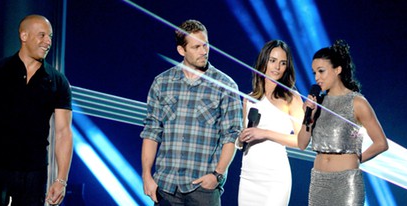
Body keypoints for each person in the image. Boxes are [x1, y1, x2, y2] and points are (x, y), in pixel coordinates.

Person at [0, 14, 73, 206]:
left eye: (50, 36)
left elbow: (63, 133)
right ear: (24, 36)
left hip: (33, 174)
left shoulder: (58, 81)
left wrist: (61, 180)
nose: (48, 42)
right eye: (42, 35)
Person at [140, 19, 242, 205]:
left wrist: (216, 175)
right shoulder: (162, 83)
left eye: (206, 45)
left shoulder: (226, 86)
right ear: (181, 50)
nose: (203, 51)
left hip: (203, 188)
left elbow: (232, 135)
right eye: (196, 47)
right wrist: (146, 175)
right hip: (166, 186)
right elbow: (152, 131)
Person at [297, 39, 389, 205]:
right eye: (314, 73)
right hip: (318, 182)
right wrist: (308, 118)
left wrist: (356, 159)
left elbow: (381, 143)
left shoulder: (357, 102)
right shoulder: (317, 103)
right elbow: (302, 144)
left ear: (337, 69)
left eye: (321, 71)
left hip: (346, 184)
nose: (317, 78)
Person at [236, 40, 304, 205]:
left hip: (275, 177)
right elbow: (243, 137)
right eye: (273, 60)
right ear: (263, 61)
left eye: (282, 63)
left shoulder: (291, 97)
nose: (277, 67)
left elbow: (302, 141)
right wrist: (240, 139)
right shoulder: (248, 99)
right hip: (248, 175)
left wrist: (265, 133)